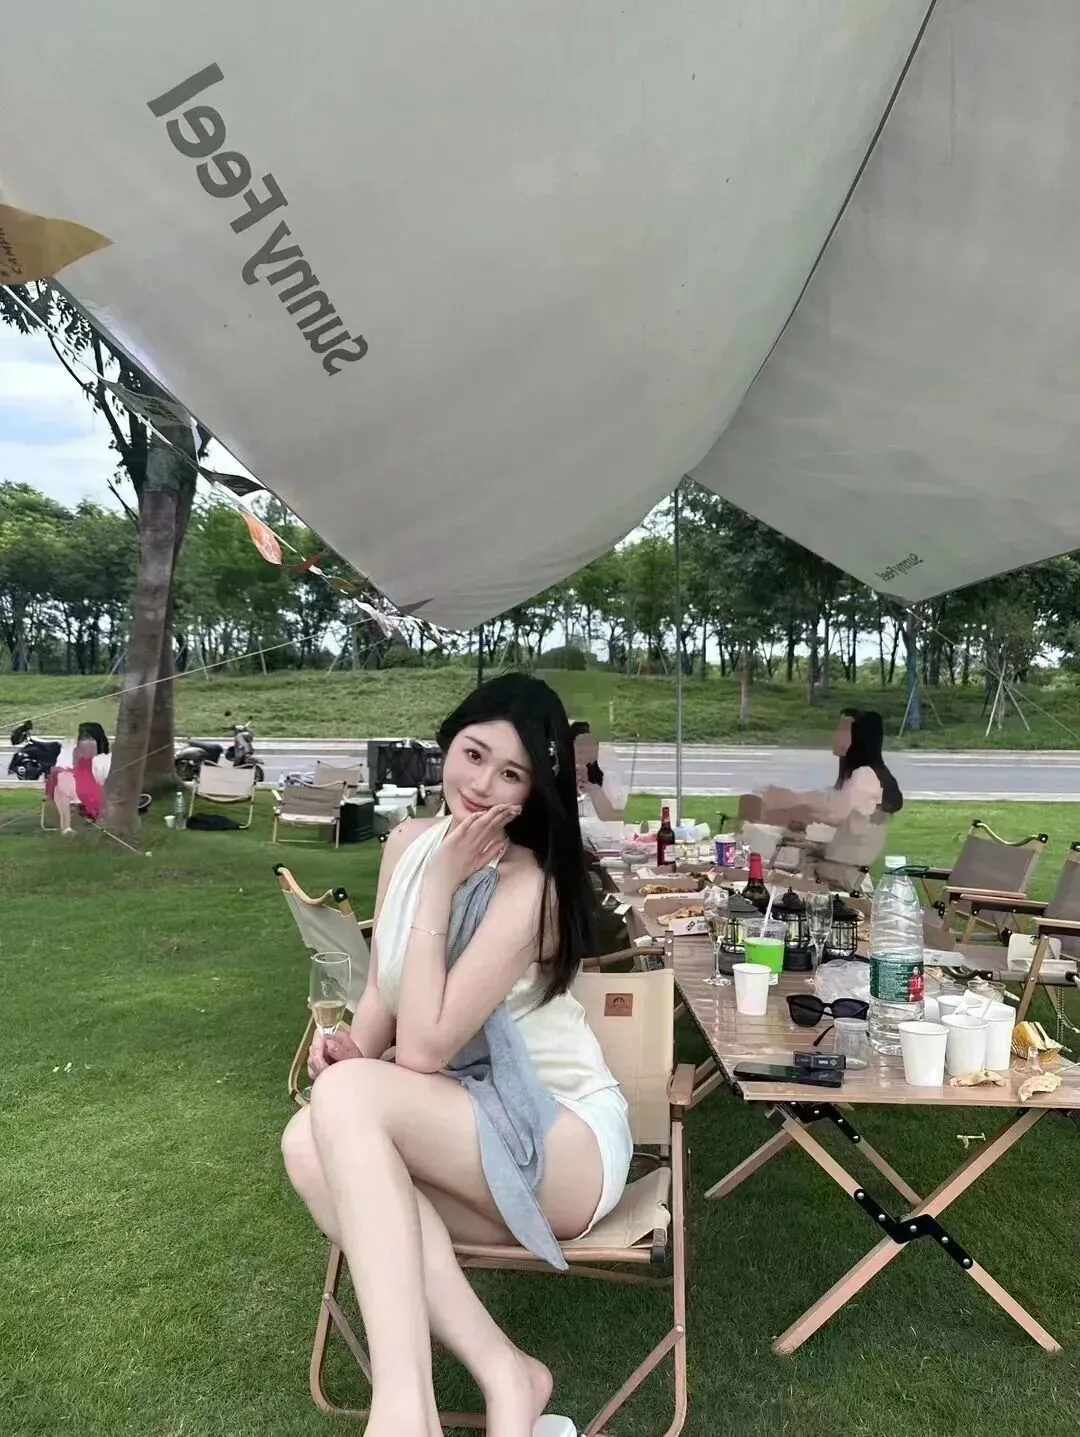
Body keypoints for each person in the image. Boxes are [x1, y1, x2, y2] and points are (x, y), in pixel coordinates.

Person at [281, 674, 631, 1437]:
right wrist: (351, 1050)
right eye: (473, 754)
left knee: (344, 1107)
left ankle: (404, 1414)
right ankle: (509, 1373)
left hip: (559, 1137)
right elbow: (386, 993)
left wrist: (442, 882)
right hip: (464, 1123)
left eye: (511, 773)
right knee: (308, 1139)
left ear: (534, 791)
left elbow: (425, 1046)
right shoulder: (408, 844)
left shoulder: (529, 884)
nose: (482, 784)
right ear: (449, 744)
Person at [759, 710, 903, 888]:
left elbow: (836, 815)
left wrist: (792, 807)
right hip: (838, 866)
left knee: (759, 860)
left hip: (836, 876)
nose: (836, 735)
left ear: (860, 738)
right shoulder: (858, 775)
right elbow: (830, 801)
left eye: (843, 731)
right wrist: (793, 800)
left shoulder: (864, 775)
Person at [44, 722, 111, 833]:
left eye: (90, 738)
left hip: (95, 787)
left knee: (62, 781)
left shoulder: (104, 758)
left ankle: (67, 826)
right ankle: (66, 827)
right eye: (83, 738)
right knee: (61, 779)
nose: (87, 742)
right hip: (75, 783)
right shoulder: (73, 752)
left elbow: (104, 776)